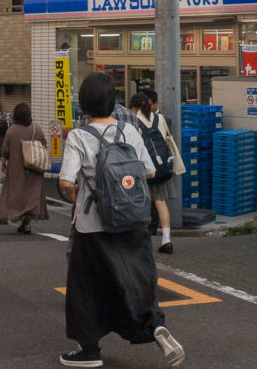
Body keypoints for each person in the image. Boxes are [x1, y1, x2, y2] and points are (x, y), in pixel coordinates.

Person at [58, 72, 184, 368]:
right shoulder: (129, 131)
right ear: (112, 101)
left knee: (86, 287)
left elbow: (65, 182)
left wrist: (82, 196)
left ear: (84, 103)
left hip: (92, 226)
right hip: (133, 219)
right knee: (138, 279)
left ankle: (89, 350)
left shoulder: (79, 135)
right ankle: (154, 325)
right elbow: (150, 172)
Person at [130, 92, 185, 254]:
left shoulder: (134, 121)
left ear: (135, 107)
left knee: (140, 203)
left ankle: (139, 242)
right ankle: (167, 240)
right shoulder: (159, 118)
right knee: (161, 202)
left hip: (143, 169)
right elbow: (169, 139)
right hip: (161, 168)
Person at [0, 102, 50, 234]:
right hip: (34, 168)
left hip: (17, 169)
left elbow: (5, 151)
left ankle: (20, 217)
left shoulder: (11, 132)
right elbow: (44, 146)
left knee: (16, 194)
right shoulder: (36, 129)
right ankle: (28, 220)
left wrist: (3, 164)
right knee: (31, 194)